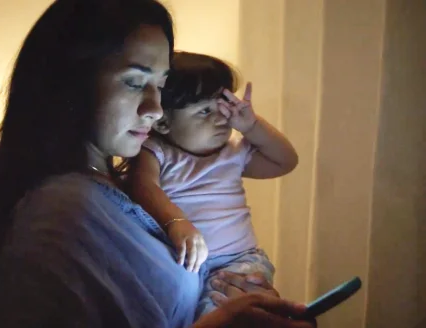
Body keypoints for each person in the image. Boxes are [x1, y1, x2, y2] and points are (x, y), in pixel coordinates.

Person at [0, 0, 314, 327]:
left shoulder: (108, 188)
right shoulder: (62, 208)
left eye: (159, 86)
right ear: (71, 83)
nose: (155, 108)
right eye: (134, 82)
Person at [127, 51, 299, 317]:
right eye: (204, 111)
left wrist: (252, 126)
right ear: (163, 122)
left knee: (225, 314)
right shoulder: (156, 152)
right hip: (183, 263)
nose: (221, 119)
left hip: (240, 261)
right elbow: (143, 187)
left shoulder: (232, 153)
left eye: (223, 108)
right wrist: (178, 222)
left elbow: (286, 161)